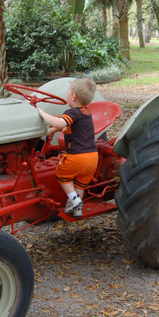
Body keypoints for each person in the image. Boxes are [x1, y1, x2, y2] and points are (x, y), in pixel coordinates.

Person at [35, 78, 98, 217]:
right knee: (80, 183)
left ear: (73, 96)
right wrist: (51, 131)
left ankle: (74, 200)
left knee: (62, 174)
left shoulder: (72, 112)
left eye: (68, 92)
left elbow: (59, 122)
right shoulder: (86, 113)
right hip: (93, 157)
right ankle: (77, 210)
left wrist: (42, 113)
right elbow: (69, 127)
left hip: (77, 156)